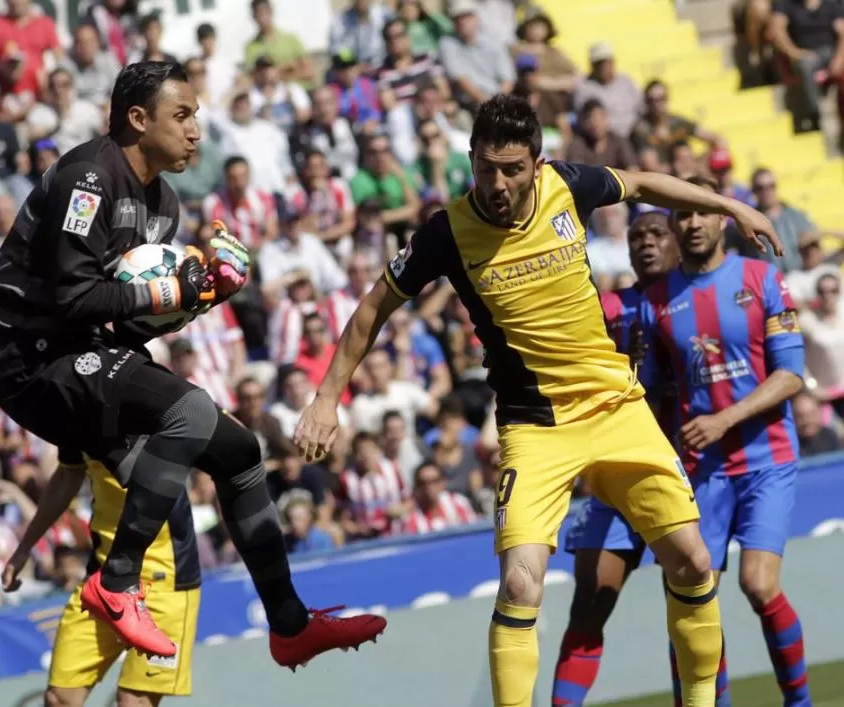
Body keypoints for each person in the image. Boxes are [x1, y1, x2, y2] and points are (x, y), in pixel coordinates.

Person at [294, 93, 783, 707]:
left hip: (615, 407)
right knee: (521, 583)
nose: (497, 184)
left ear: (537, 163)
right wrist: (325, 400)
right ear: (470, 159)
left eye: (513, 169)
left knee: (691, 560)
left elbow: (640, 183)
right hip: (536, 427)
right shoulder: (447, 232)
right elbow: (372, 308)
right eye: (486, 168)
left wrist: (730, 205)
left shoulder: (567, 186)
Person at [0, 61, 385, 664]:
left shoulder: (164, 203)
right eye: (183, 115)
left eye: (196, 114)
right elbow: (73, 297)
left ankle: (290, 625)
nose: (197, 130)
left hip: (87, 350)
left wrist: (202, 296)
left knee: (240, 450)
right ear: (138, 120)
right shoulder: (88, 178)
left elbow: (132, 320)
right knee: (190, 412)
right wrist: (170, 291)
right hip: (29, 357)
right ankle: (115, 583)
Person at [637, 176, 810, 707]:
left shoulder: (762, 279)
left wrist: (723, 419)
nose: (691, 223)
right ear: (672, 224)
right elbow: (647, 388)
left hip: (766, 459)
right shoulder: (656, 301)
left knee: (759, 585)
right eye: (681, 215)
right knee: (692, 603)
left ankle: (799, 703)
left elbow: (791, 376)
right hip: (699, 471)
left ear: (721, 218)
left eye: (700, 213)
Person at [550, 212, 731, 707]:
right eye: (636, 238)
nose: (645, 244)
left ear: (677, 243)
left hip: (688, 474)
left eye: (656, 234)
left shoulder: (699, 301)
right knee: (589, 602)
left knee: (692, 602)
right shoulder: (609, 308)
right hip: (615, 472)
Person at [1, 448, 200, 707]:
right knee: (60, 698)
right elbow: (65, 477)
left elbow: (229, 437)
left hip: (165, 581)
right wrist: (25, 547)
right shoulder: (77, 416)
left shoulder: (166, 409)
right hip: (102, 582)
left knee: (134, 703)